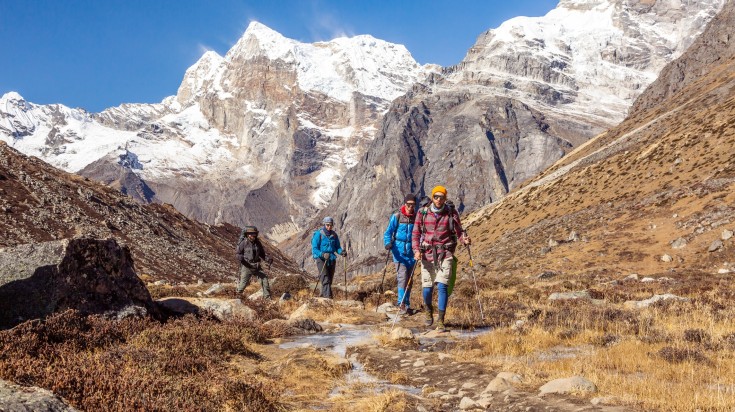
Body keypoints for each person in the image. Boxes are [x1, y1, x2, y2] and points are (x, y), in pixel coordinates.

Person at [412, 186, 471, 332]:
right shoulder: (422, 212)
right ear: (432, 197)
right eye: (436, 197)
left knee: (442, 286)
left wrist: (465, 240)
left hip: (445, 253)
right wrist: (416, 250)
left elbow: (459, 232)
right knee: (427, 288)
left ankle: (440, 321)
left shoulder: (451, 213)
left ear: (445, 198)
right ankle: (428, 309)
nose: (439, 199)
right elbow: (416, 233)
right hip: (427, 254)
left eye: (441, 197)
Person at [383, 193, 417, 315]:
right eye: (408, 204)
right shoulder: (397, 217)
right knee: (402, 277)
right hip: (399, 252)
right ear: (404, 204)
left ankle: (406, 304)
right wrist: (387, 243)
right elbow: (388, 233)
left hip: (412, 253)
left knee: (409, 279)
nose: (410, 207)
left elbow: (420, 233)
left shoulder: (416, 217)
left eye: (413, 205)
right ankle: (401, 303)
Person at [311, 216, 346, 299]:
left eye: (330, 225)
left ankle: (323, 296)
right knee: (325, 278)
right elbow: (314, 248)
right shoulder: (318, 234)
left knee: (329, 279)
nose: (329, 227)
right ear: (324, 224)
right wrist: (322, 254)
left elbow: (337, 247)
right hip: (321, 259)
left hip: (331, 259)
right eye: (327, 225)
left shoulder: (334, 235)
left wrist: (342, 252)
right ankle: (328, 298)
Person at [235, 226, 272, 299]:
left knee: (265, 281)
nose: (253, 235)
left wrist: (267, 259)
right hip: (247, 266)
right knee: (243, 284)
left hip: (257, 266)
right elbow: (238, 253)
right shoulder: (243, 243)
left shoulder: (258, 243)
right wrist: (240, 258)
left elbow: (262, 254)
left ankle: (267, 299)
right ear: (247, 235)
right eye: (251, 234)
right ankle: (237, 298)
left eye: (254, 234)